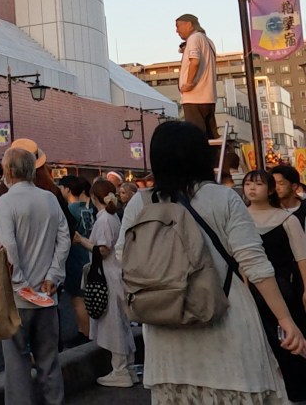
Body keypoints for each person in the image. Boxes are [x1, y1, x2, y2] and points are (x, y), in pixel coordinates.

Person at [118, 121, 306, 403]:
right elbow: (254, 264)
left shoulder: (141, 203)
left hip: (165, 324)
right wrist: (285, 319)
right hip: (225, 320)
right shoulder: (223, 198)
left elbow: (123, 256)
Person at [0, 146, 70, 405]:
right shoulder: (49, 198)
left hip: (19, 298)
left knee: (16, 362)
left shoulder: (7, 201)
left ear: (8, 171)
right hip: (48, 293)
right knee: (49, 359)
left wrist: (20, 283)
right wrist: (54, 275)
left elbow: (8, 247)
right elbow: (64, 238)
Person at [242, 169, 306, 402]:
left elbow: (302, 257)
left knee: (288, 342)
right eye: (248, 184)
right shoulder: (238, 219)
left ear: (269, 190)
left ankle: (296, 391)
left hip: (284, 290)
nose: (252, 188)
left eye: (258, 184)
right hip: (249, 292)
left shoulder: (286, 219)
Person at [84, 180, 136, 388]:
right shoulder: (113, 217)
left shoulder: (104, 219)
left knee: (113, 324)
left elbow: (103, 250)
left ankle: (120, 369)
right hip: (117, 274)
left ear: (93, 197)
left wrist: (81, 241)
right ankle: (128, 367)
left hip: (109, 276)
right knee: (121, 323)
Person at [59, 174, 94, 341]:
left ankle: (84, 332)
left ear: (67, 190)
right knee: (84, 296)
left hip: (75, 255)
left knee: (77, 298)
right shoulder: (86, 209)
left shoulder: (71, 210)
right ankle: (87, 330)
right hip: (86, 254)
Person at [176, 13, 218, 139]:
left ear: (189, 24)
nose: (176, 31)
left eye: (178, 26)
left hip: (194, 98)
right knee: (210, 138)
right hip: (209, 96)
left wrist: (189, 83)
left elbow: (195, 61)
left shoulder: (194, 38)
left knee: (196, 137)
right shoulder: (209, 41)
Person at [273, 165, 306, 229]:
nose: (276, 187)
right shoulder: (270, 208)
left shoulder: (304, 208)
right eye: (273, 183)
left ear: (294, 186)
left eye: (281, 183)